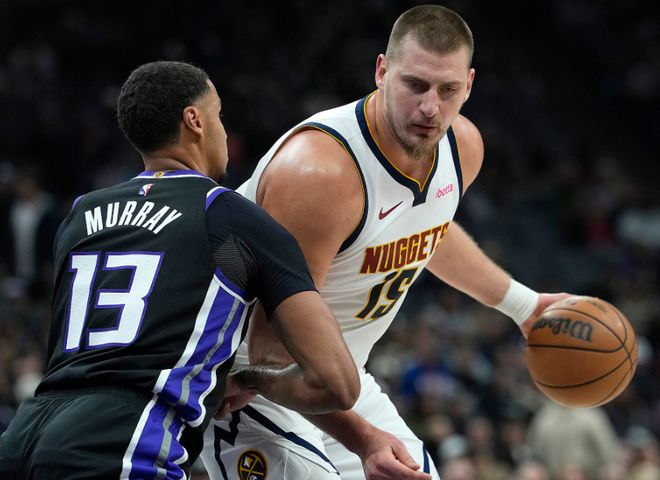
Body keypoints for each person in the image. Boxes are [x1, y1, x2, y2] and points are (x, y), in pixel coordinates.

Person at [202, 5, 571, 480]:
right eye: (415, 85)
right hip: (242, 380)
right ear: (381, 71)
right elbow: (269, 353)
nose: (430, 107)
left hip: (332, 381)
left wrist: (524, 305)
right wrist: (364, 439)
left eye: (447, 90)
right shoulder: (320, 174)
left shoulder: (462, 147)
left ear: (469, 85)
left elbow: (426, 230)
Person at [0, 60, 360, 480]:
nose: (224, 130)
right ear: (195, 120)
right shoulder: (230, 220)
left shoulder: (79, 216)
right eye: (218, 114)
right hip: (121, 443)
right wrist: (249, 379)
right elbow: (337, 383)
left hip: (23, 438)